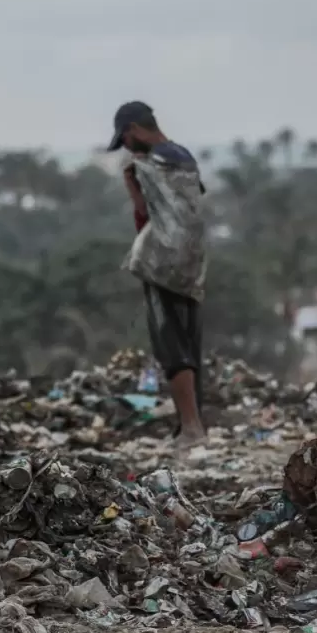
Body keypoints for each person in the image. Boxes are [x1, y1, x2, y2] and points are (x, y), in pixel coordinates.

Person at [109, 101, 207, 444]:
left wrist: (134, 176)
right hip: (192, 262)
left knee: (172, 343)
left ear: (134, 130)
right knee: (188, 342)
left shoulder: (152, 163)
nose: (124, 146)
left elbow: (146, 214)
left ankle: (192, 428)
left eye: (123, 138)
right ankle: (189, 425)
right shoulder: (184, 158)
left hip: (163, 262)